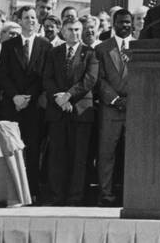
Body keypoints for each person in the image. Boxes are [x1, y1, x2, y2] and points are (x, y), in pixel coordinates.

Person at [42, 16, 98, 206]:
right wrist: (59, 98)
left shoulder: (90, 52)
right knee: (57, 155)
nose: (74, 33)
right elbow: (47, 78)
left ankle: (75, 198)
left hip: (80, 110)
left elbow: (90, 79)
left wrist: (68, 95)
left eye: (77, 30)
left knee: (79, 157)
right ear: (62, 32)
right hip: (58, 110)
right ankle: (57, 196)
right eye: (70, 30)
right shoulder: (54, 52)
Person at [0, 5, 52, 203]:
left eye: (33, 17)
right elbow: (2, 74)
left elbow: (45, 75)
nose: (31, 21)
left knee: (33, 149)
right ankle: (13, 191)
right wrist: (15, 97)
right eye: (27, 17)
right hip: (13, 105)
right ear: (19, 21)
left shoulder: (45, 45)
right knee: (12, 149)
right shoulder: (8, 46)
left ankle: (32, 192)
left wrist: (28, 97)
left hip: (34, 105)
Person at [95, 8, 133, 206]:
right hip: (110, 109)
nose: (125, 25)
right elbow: (99, 80)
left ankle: (131, 194)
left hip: (134, 110)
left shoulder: (140, 47)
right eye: (121, 22)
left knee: (133, 154)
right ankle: (106, 194)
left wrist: (131, 100)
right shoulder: (102, 48)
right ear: (113, 24)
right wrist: (115, 100)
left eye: (128, 22)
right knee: (106, 153)